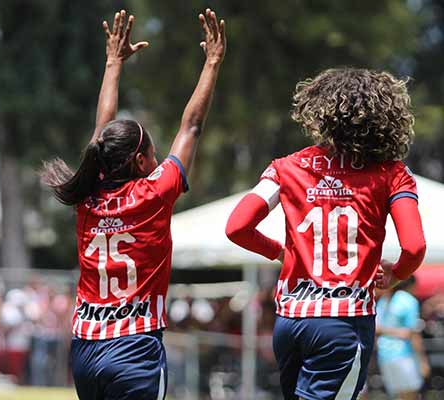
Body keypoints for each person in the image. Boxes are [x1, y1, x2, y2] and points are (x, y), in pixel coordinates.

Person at [41, 8, 225, 399]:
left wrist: (112, 64)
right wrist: (211, 63)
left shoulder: (87, 197)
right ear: (140, 161)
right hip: (134, 347)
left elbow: (98, 134)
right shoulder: (154, 194)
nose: (159, 161)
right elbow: (191, 126)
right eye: (153, 154)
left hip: (86, 350)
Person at [225, 68, 427, 400]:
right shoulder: (393, 174)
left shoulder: (285, 167)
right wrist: (397, 274)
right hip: (343, 322)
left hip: (290, 322)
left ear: (319, 113)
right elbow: (415, 246)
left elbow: (237, 227)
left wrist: (280, 252)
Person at [376, 276, 430, 399]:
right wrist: (423, 361)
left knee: (396, 396)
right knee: (410, 395)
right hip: (405, 355)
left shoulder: (384, 300)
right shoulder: (408, 300)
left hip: (384, 355)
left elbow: (377, 329)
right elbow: (413, 334)